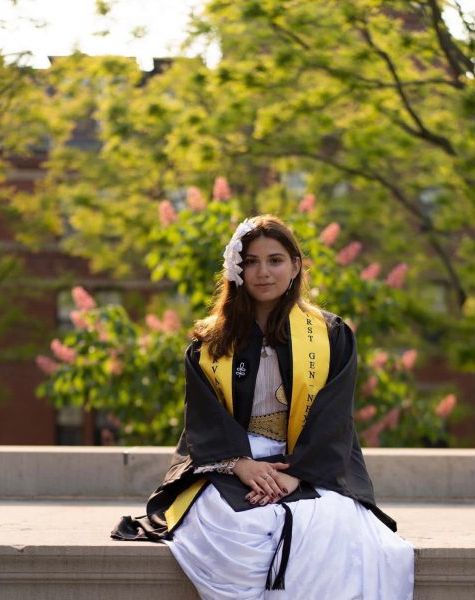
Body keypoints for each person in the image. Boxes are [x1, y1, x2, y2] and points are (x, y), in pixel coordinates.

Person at [112, 215, 414, 599]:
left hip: (309, 461)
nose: (263, 272)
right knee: (232, 526)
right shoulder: (210, 342)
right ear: (237, 269)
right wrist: (240, 464)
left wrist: (297, 474)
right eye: (251, 261)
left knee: (325, 525)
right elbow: (204, 418)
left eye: (275, 260)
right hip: (232, 461)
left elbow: (334, 417)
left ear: (295, 266)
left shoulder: (330, 335)